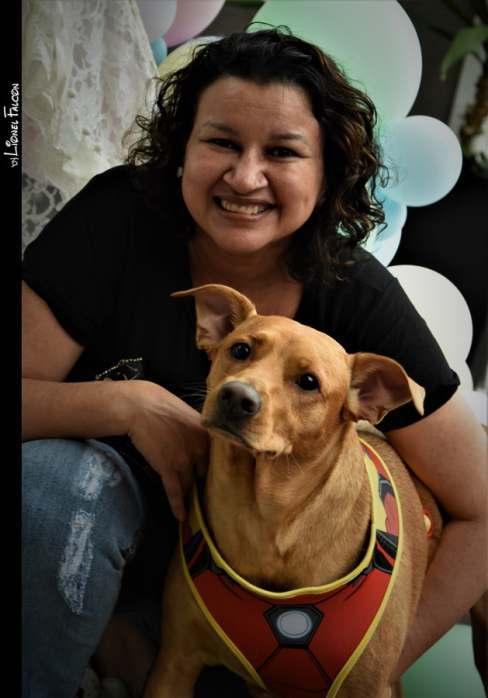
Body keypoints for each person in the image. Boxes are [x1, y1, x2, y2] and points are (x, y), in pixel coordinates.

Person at [22, 28, 487, 698]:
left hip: (266, 611)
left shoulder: (357, 295)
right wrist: (127, 403)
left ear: (326, 173)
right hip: (78, 556)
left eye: (282, 152)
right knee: (53, 481)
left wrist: (372, 661)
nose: (245, 177)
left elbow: (481, 511)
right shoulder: (116, 218)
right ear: (182, 147)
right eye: (221, 142)